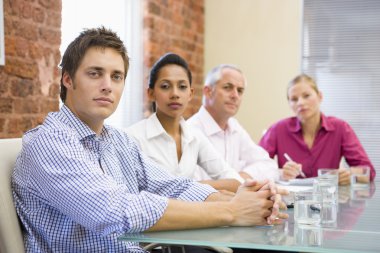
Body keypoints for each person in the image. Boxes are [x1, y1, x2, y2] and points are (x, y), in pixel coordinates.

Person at [11, 27, 287, 253]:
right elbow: (117, 212)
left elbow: (174, 186)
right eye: (95, 73)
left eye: (116, 76)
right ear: (68, 80)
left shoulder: (118, 141)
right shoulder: (49, 142)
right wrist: (231, 210)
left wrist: (249, 200)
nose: (108, 84)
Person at [126, 53, 244, 192]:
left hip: (191, 212)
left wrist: (194, 186)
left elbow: (234, 181)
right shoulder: (132, 138)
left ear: (190, 94)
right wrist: (193, 187)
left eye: (182, 87)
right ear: (151, 94)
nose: (175, 94)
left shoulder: (195, 136)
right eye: (165, 86)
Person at [259, 74, 376, 184]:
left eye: (306, 96)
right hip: (290, 202)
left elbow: (369, 171)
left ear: (320, 96)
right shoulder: (277, 130)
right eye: (294, 99)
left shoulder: (340, 128)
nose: (300, 102)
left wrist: (350, 174)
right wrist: (280, 173)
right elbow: (255, 168)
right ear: (289, 104)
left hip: (328, 200)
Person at [187, 64, 279, 182]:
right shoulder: (190, 131)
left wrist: (236, 180)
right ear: (208, 91)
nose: (235, 95)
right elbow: (193, 187)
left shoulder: (234, 127)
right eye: (227, 87)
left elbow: (269, 166)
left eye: (240, 91)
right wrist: (236, 183)